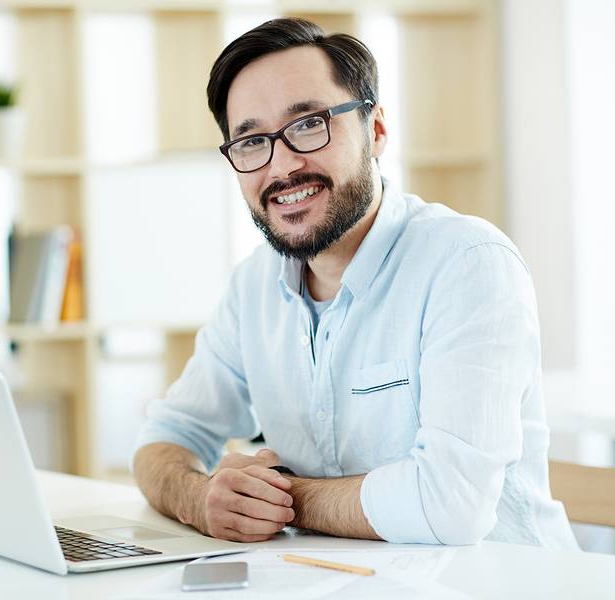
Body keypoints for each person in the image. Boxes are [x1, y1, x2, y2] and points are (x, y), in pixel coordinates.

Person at [132, 18, 577, 549]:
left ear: (377, 129)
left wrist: (279, 497)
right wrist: (203, 500)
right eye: (251, 141)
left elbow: (450, 505)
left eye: (308, 124)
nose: (282, 166)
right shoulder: (253, 287)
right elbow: (166, 439)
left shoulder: (467, 264)